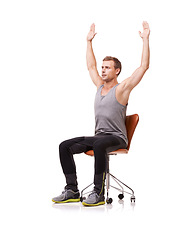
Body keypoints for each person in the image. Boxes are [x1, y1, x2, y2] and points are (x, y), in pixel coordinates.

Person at [52, 21, 150, 206]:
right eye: (102, 67)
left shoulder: (122, 89)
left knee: (99, 146)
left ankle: (99, 193)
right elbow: (90, 66)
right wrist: (88, 42)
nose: (103, 70)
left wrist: (145, 39)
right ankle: (72, 189)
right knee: (64, 146)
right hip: (99, 137)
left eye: (107, 67)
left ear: (117, 70)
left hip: (117, 138)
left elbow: (143, 67)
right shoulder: (99, 86)